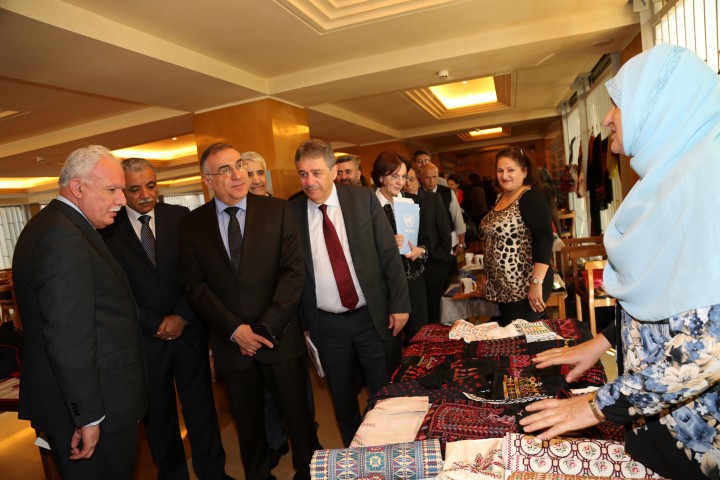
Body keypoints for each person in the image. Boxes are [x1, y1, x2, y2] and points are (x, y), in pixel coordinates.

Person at [520, 44, 720, 480]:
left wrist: (594, 407)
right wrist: (602, 342)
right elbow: (666, 298)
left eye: (619, 104)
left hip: (699, 443)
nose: (608, 118)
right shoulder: (674, 179)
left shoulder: (709, 186)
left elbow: (707, 348)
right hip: (654, 420)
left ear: (660, 107)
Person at [180, 143, 319, 480]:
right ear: (208, 180)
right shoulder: (192, 224)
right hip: (232, 345)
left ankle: (309, 473)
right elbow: (195, 285)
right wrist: (235, 330)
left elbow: (293, 273)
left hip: (279, 338)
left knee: (299, 419)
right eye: (225, 170)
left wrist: (263, 329)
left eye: (239, 165)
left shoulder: (278, 210)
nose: (237, 174)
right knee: (249, 426)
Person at [13, 145, 148, 479]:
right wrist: (88, 417)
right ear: (78, 187)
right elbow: (69, 336)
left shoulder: (61, 225)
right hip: (91, 408)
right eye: (112, 189)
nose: (122, 200)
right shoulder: (62, 236)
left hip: (94, 399)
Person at [102, 158, 232, 480]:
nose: (145, 195)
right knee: (158, 418)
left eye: (151, 185)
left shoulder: (180, 216)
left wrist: (182, 316)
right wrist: (152, 323)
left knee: (201, 408)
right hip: (145, 341)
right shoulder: (108, 228)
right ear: (121, 191)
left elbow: (198, 273)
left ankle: (212, 473)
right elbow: (114, 292)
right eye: (135, 189)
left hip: (188, 332)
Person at [290, 138, 410, 446]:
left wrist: (399, 304)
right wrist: (304, 325)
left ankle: (391, 451)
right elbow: (291, 274)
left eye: (316, 173)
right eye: (303, 174)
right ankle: (355, 457)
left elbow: (388, 254)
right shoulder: (290, 212)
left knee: (383, 393)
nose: (309, 181)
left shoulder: (362, 199)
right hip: (326, 325)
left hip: (372, 317)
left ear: (333, 171)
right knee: (342, 399)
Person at [479, 147, 554, 325]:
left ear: (524, 171)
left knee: (517, 336)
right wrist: (487, 277)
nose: (504, 175)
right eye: (500, 170)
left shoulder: (530, 197)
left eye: (510, 170)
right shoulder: (501, 197)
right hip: (503, 288)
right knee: (507, 334)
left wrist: (536, 283)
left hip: (524, 287)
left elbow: (545, 239)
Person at [371, 152, 429, 339]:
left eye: (403, 177)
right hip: (384, 287)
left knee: (420, 338)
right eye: (394, 176)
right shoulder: (368, 206)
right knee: (389, 341)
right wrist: (386, 245)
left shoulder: (413, 201)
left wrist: (420, 250)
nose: (400, 182)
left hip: (413, 281)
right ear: (381, 177)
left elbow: (426, 239)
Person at [403, 165, 453, 324]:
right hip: (412, 266)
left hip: (434, 262)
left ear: (417, 180)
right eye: (404, 179)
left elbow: (444, 230)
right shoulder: (398, 202)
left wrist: (442, 256)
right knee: (419, 312)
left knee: (434, 308)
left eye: (411, 179)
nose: (407, 183)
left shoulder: (432, 199)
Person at [420, 162, 466, 256]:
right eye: (427, 177)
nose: (431, 181)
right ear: (421, 178)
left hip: (449, 242)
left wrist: (461, 243)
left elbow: (458, 218)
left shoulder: (447, 192)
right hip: (427, 245)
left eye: (434, 177)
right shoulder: (418, 194)